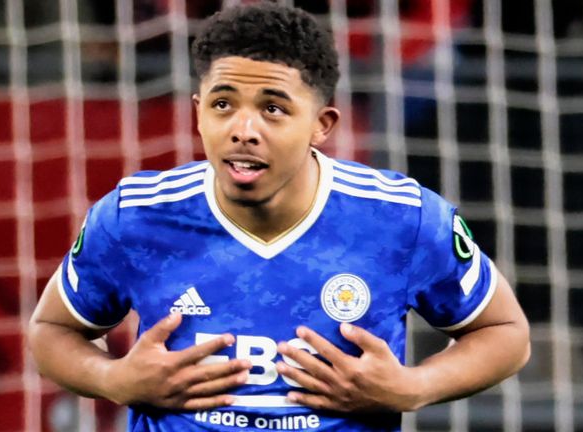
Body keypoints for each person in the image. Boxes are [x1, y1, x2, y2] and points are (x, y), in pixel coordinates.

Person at [27, 2, 530, 431]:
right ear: (199, 111)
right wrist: (114, 380)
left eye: (273, 109)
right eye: (224, 104)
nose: (243, 129)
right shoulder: (134, 217)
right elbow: (51, 331)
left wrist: (412, 386)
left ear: (321, 125)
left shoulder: (402, 219)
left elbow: (505, 332)